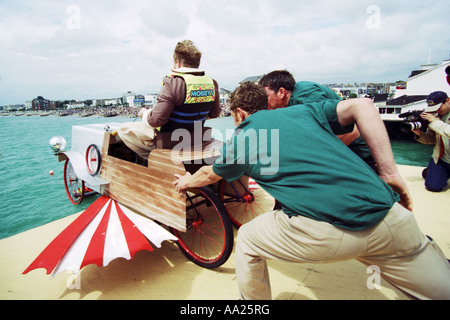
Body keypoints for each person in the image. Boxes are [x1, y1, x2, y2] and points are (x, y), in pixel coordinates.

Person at [174, 82, 450, 300]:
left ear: (239, 113)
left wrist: (185, 182)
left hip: (328, 232)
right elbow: (364, 105)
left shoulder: (243, 135)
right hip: (392, 218)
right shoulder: (305, 110)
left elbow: (211, 173)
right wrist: (390, 173)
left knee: (247, 239)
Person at [117, 40, 221, 160]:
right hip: (197, 138)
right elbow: (215, 113)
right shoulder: (212, 83)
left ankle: (154, 161)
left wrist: (144, 113)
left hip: (171, 142)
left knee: (123, 129)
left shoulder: (173, 83)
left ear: (177, 63)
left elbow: (155, 121)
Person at [259, 70, 376, 172]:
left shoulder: (308, 99)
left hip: (360, 155)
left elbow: (352, 132)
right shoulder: (290, 103)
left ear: (281, 92)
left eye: (266, 97)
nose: (264, 103)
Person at [413, 91, 450, 192]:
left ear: (447, 101)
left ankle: (434, 172)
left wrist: (435, 122)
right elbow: (432, 139)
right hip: (442, 159)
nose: (437, 110)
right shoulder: (437, 117)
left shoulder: (435, 120)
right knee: (432, 186)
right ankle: (435, 172)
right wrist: (419, 134)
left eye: (439, 107)